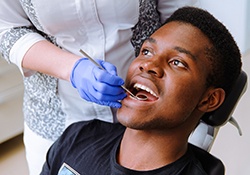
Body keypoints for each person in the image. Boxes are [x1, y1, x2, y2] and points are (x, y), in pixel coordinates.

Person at [0, 1, 197, 174]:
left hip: (154, 128)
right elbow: (6, 29)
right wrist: (73, 69)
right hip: (58, 116)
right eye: (146, 53)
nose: (148, 65)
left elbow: (180, 20)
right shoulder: (67, 143)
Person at [40, 6, 242, 175]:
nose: (148, 65)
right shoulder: (78, 137)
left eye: (177, 62)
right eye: (146, 51)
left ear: (209, 99)